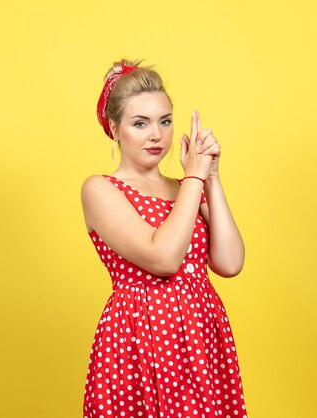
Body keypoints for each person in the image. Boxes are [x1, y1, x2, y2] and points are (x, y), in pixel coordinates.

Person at [80, 58, 248, 418]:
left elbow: (230, 262)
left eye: (165, 121)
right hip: (139, 336)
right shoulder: (101, 189)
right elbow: (164, 258)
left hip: (200, 338)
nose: (156, 135)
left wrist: (210, 176)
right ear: (115, 129)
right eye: (140, 123)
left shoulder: (185, 187)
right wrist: (194, 180)